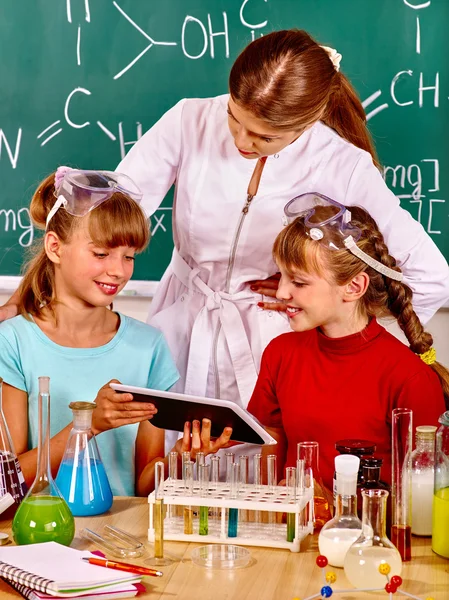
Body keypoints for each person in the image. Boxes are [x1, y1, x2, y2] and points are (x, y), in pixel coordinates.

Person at [1, 31, 448, 421]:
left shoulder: (343, 165)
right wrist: (27, 297)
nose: (241, 141)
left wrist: (337, 320)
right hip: (181, 331)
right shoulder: (188, 120)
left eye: (264, 137)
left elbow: (431, 276)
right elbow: (101, 220)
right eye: (235, 118)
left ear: (307, 122)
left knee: (260, 475)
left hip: (277, 349)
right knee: (169, 466)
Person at [0, 168, 231, 497]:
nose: (118, 271)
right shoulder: (13, 342)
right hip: (42, 533)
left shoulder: (148, 346)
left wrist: (180, 460)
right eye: (101, 254)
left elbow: (142, 483)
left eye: (129, 257)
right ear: (54, 247)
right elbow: (7, 482)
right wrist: (88, 425)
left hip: (121, 538)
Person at [247, 192, 448, 490]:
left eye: (299, 282)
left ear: (353, 287)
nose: (281, 293)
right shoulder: (280, 353)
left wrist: (330, 505)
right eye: (282, 276)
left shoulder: (411, 378)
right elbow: (272, 440)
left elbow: (424, 496)